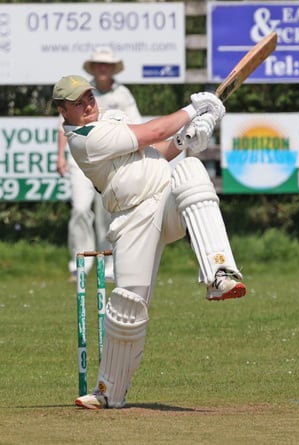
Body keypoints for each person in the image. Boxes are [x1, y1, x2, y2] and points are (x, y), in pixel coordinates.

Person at [52, 74, 246, 409]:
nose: (87, 105)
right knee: (127, 307)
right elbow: (154, 132)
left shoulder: (110, 118)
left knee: (191, 170)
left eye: (89, 97)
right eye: (77, 103)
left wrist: (186, 138)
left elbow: (157, 150)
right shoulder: (83, 139)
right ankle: (108, 391)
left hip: (165, 199)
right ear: (62, 111)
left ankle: (220, 274)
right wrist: (193, 110)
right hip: (132, 220)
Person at [56, 47, 142, 282]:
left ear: (113, 68)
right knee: (80, 209)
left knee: (108, 212)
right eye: (99, 64)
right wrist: (60, 156)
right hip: (80, 159)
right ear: (93, 67)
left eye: (107, 64)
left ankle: (110, 264)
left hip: (109, 161)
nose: (103, 68)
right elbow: (62, 126)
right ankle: (79, 264)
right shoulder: (80, 91)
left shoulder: (122, 94)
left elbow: (135, 124)